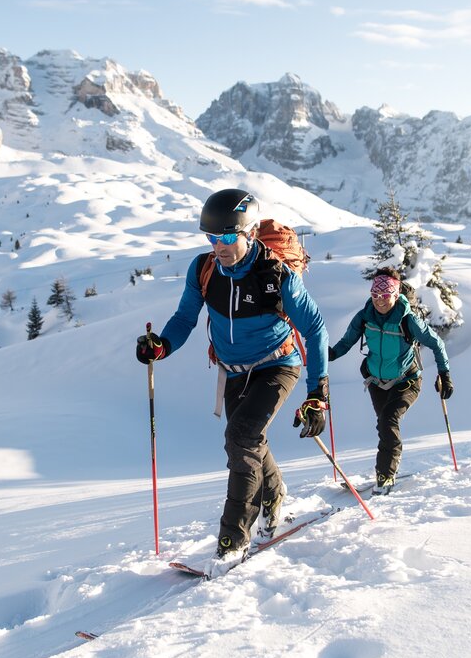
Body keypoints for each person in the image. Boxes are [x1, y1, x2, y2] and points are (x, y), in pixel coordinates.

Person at [136, 188, 329, 575]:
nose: (218, 246)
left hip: (277, 365)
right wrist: (163, 346)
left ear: (250, 233)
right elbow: (185, 317)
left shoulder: (277, 275)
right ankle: (275, 498)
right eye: (211, 237)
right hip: (233, 371)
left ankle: (232, 541)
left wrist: (317, 393)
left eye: (227, 237)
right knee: (249, 441)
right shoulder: (203, 269)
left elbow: (316, 329)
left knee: (240, 439)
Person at [328, 267, 453, 492]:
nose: (380, 301)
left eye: (385, 296)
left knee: (388, 421)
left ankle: (385, 474)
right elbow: (346, 342)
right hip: (377, 382)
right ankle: (387, 467)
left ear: (395, 295)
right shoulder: (365, 317)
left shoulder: (408, 319)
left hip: (407, 381)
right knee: (385, 426)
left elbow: (436, 343)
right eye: (375, 295)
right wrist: (330, 354)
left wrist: (444, 373)